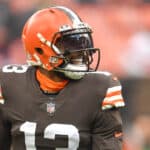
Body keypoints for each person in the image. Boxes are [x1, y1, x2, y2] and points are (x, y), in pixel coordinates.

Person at [0, 6, 125, 150]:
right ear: (40, 50)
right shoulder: (10, 84)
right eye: (69, 44)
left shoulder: (99, 88)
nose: (80, 51)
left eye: (81, 41)